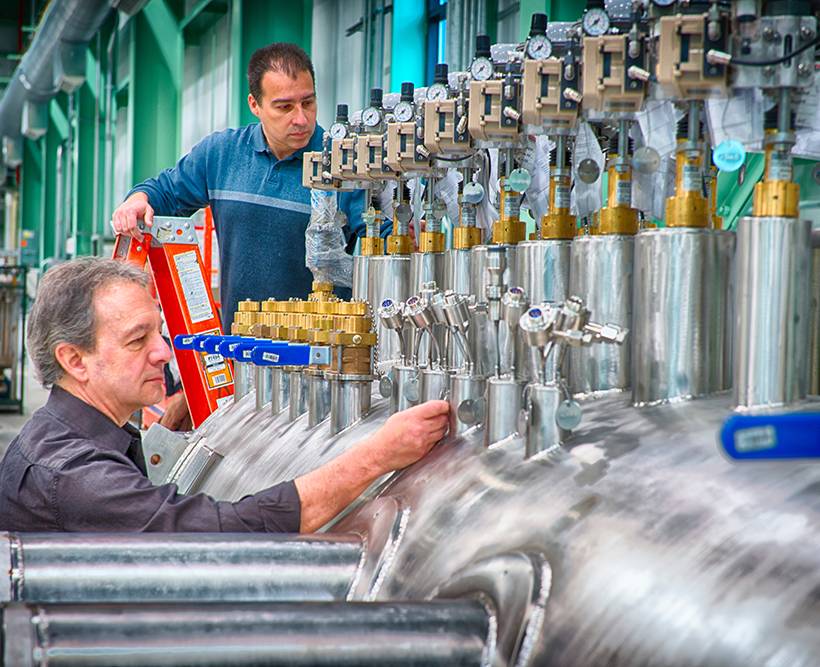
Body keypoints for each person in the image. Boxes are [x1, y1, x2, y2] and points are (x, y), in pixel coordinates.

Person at [0, 258, 448, 532]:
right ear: (74, 360)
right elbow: (221, 533)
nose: (163, 352)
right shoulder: (75, 475)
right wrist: (376, 456)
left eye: (159, 332)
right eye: (138, 340)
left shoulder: (75, 434)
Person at [111, 42, 366, 430]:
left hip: (323, 365)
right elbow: (164, 190)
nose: (301, 118)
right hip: (242, 356)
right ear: (255, 104)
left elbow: (377, 250)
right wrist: (137, 200)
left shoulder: (346, 163)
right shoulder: (223, 155)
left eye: (309, 103)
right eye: (284, 106)